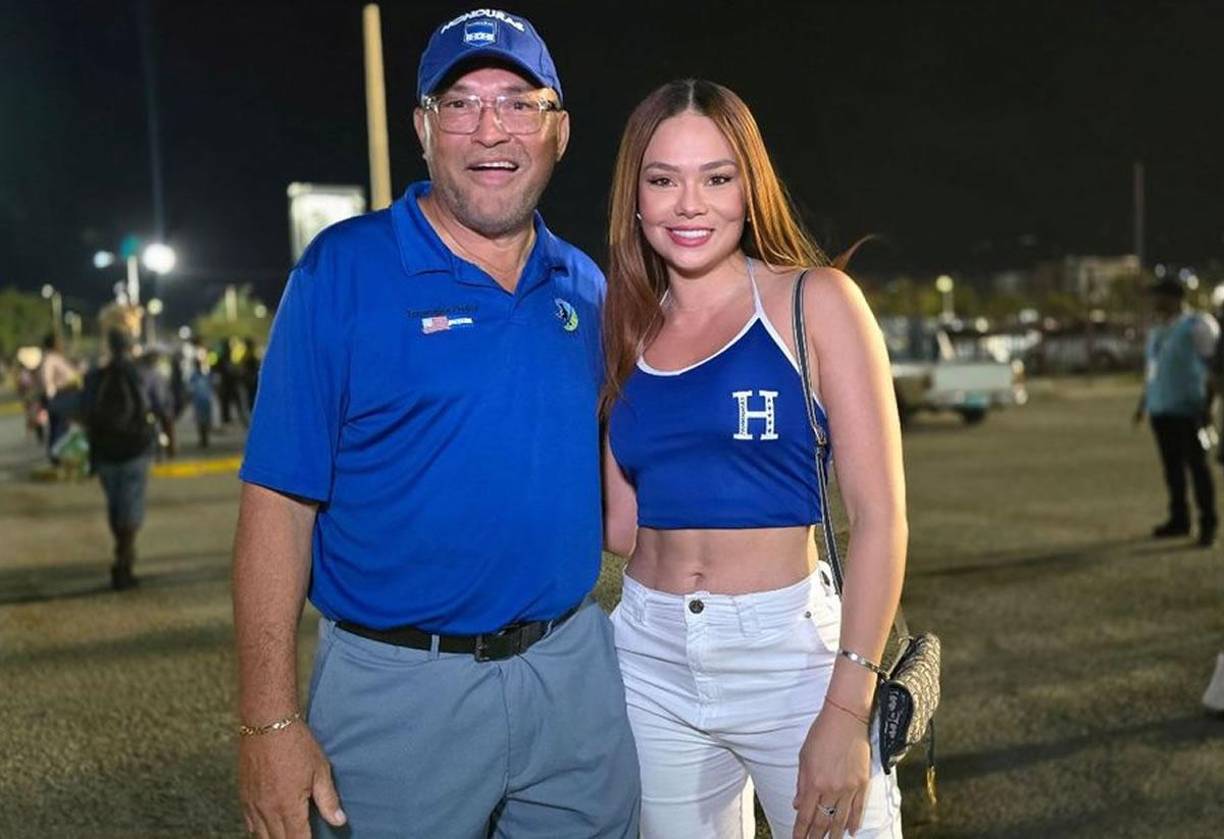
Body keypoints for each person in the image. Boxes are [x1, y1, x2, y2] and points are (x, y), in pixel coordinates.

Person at [232, 9, 640, 839]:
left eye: (519, 103)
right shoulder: (341, 273)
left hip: (571, 677)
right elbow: (277, 503)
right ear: (423, 129)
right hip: (398, 691)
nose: (491, 129)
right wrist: (268, 721)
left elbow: (627, 487)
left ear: (558, 132)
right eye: (461, 104)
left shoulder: (586, 286)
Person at [602, 79, 906, 838]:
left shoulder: (816, 301)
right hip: (648, 655)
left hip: (790, 656)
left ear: (751, 188)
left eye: (717, 178)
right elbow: (622, 527)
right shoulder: (626, 327)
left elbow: (880, 519)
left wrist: (848, 709)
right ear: (634, 197)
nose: (689, 205)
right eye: (663, 180)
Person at [81, 328, 175, 590]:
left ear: (109, 347)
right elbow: (164, 408)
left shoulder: (95, 377)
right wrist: (170, 442)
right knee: (131, 504)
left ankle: (121, 548)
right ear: (131, 346)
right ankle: (124, 556)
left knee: (115, 505)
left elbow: (85, 412)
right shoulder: (146, 374)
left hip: (105, 451)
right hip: (136, 449)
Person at [1133, 276, 1219, 547]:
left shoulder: (1197, 325)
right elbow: (1153, 371)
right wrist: (1143, 404)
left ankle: (1208, 522)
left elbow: (1214, 367)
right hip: (1161, 408)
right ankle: (1179, 518)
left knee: (1197, 467)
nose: (1154, 301)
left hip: (1189, 408)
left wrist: (1209, 405)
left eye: (1158, 295)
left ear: (1173, 298)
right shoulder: (1158, 330)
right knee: (1172, 468)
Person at [38, 332, 81, 462]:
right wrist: (52, 398)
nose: (61, 344)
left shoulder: (57, 358)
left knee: (62, 427)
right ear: (53, 344)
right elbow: (47, 380)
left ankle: (60, 454)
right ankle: (56, 456)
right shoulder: (50, 359)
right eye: (59, 342)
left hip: (64, 395)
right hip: (58, 397)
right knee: (59, 428)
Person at [188, 357, 214, 449]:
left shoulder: (206, 375)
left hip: (206, 401)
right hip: (198, 402)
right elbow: (190, 389)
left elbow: (212, 385)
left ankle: (205, 439)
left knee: (206, 421)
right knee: (200, 421)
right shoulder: (194, 376)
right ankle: (203, 439)